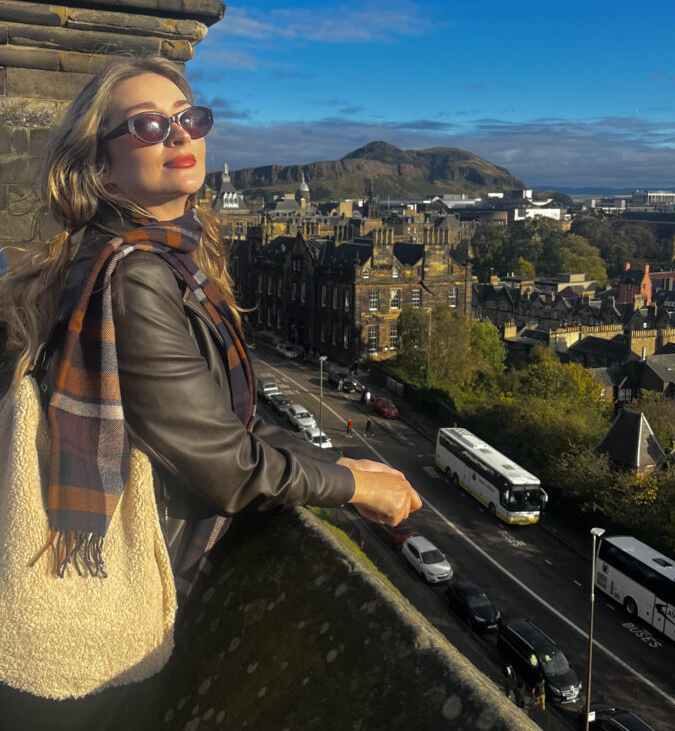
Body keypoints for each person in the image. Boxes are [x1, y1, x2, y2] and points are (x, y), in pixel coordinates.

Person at [0, 59, 421, 726]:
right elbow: (220, 467)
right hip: (110, 602)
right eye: (147, 125)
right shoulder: (135, 276)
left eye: (189, 118)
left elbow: (207, 420)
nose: (178, 134)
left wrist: (337, 465)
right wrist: (354, 486)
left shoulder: (132, 257)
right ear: (102, 169)